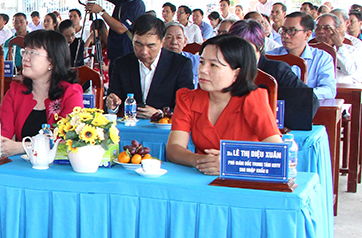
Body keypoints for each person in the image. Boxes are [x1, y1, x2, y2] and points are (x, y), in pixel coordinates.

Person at [166, 35, 282, 175]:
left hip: (244, 179)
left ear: (237, 73)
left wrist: (231, 161)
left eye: (213, 65)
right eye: (202, 62)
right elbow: (173, 148)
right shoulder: (188, 98)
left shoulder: (252, 98)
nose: (202, 70)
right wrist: (200, 161)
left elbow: (276, 150)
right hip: (201, 176)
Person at [0, 30, 84, 157]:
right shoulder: (15, 92)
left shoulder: (70, 93)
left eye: (32, 53)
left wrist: (23, 146)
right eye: (25, 51)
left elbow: (70, 140)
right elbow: (3, 134)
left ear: (52, 61)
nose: (25, 58)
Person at [106, 15, 194, 117]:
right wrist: (113, 105)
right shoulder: (122, 64)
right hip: (131, 126)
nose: (144, 51)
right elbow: (114, 97)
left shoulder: (180, 65)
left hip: (166, 128)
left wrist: (160, 114)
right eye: (138, 44)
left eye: (151, 46)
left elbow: (185, 105)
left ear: (162, 42)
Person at [267, 12, 336, 99]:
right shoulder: (270, 57)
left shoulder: (322, 58)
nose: (285, 36)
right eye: (283, 30)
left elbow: (329, 90)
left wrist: (301, 94)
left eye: (292, 31)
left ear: (307, 34)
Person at [228, 19, 311, 90]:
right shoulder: (225, 69)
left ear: (260, 46)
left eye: (244, 47)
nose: (237, 51)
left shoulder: (278, 71)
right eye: (233, 46)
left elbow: (310, 101)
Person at [87, 0, 146, 64]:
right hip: (116, 51)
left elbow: (121, 28)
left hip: (126, 53)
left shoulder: (136, 5)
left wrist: (101, 12)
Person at [315, 13, 362, 85]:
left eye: (327, 28)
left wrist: (339, 46)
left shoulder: (350, 50)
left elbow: (350, 71)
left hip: (343, 90)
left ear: (336, 31)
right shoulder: (310, 48)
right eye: (318, 27)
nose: (321, 31)